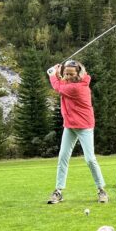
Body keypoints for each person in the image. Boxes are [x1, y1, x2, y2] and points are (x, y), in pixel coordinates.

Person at [46, 60, 108, 205]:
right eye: (66, 73)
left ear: (78, 73)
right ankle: (58, 191)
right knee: (62, 157)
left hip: (85, 126)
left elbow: (58, 87)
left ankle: (101, 190)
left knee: (90, 159)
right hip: (70, 126)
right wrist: (58, 72)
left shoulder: (78, 87)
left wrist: (52, 74)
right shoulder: (69, 83)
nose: (67, 76)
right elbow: (62, 83)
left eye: (71, 74)